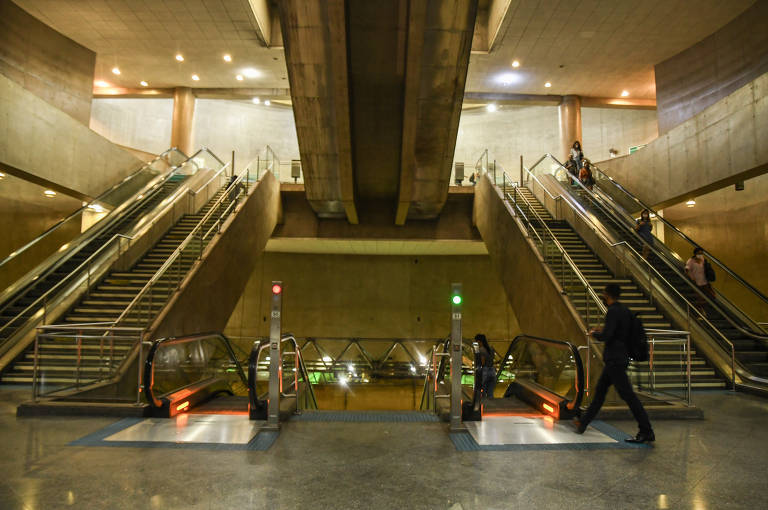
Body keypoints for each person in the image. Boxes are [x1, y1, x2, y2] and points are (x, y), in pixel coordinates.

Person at [574, 284, 654, 443]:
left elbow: (608, 336)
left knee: (629, 396)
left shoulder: (612, 311)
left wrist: (595, 333)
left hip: (614, 360)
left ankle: (646, 431)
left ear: (607, 295)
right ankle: (583, 423)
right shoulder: (625, 311)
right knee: (600, 392)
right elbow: (619, 333)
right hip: (620, 358)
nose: (603, 296)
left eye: (604, 294)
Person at [685, 247, 715, 317]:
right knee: (699, 297)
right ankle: (699, 312)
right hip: (696, 282)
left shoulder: (703, 260)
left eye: (701, 253)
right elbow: (687, 269)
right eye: (699, 253)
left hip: (705, 281)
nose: (700, 255)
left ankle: (703, 310)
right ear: (695, 253)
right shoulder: (691, 261)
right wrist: (691, 277)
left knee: (711, 295)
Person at [475, 334, 496, 401]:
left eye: (477, 342)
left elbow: (483, 362)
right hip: (492, 371)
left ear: (479, 341)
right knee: (490, 393)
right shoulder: (491, 348)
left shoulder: (481, 350)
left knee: (483, 393)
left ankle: (484, 408)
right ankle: (492, 407)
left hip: (485, 371)